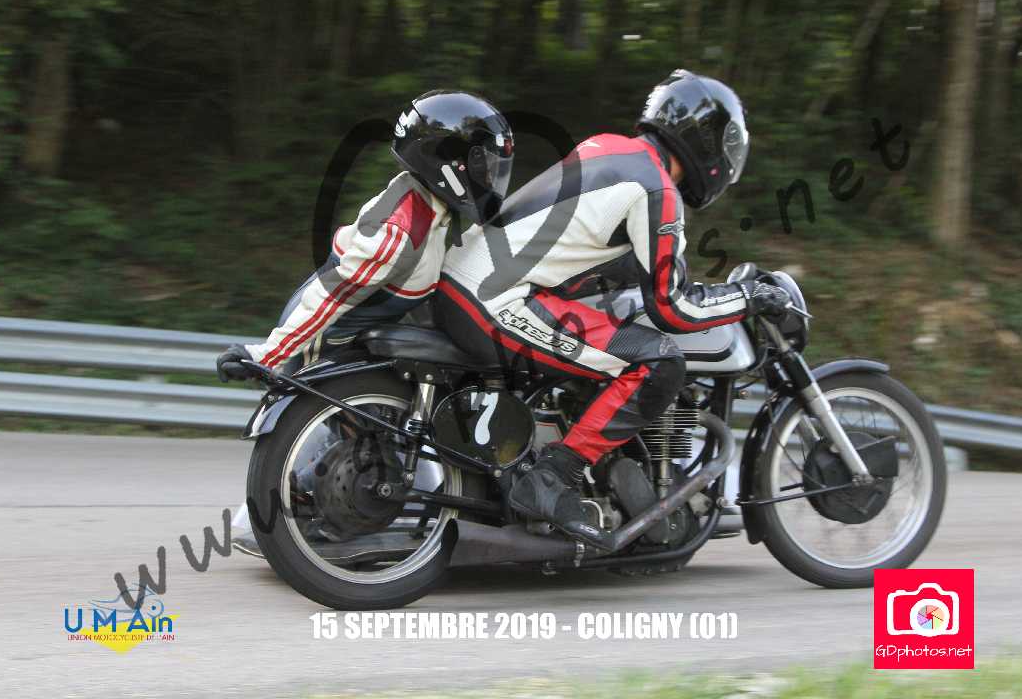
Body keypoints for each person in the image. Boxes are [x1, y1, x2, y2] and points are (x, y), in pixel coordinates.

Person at [434, 69, 790, 549]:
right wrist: (749, 298)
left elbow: (582, 242)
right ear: (706, 142)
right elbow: (675, 310)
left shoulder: (608, 148)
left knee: (609, 341)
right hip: (493, 301)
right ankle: (551, 478)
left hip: (462, 282)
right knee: (658, 361)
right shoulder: (657, 190)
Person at [216, 89, 514, 554]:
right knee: (342, 429)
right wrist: (269, 354)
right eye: (485, 165)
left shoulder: (436, 207)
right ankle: (278, 521)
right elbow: (329, 297)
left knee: (393, 424)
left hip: (367, 319)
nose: (491, 177)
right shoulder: (398, 233)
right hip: (326, 330)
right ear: (449, 163)